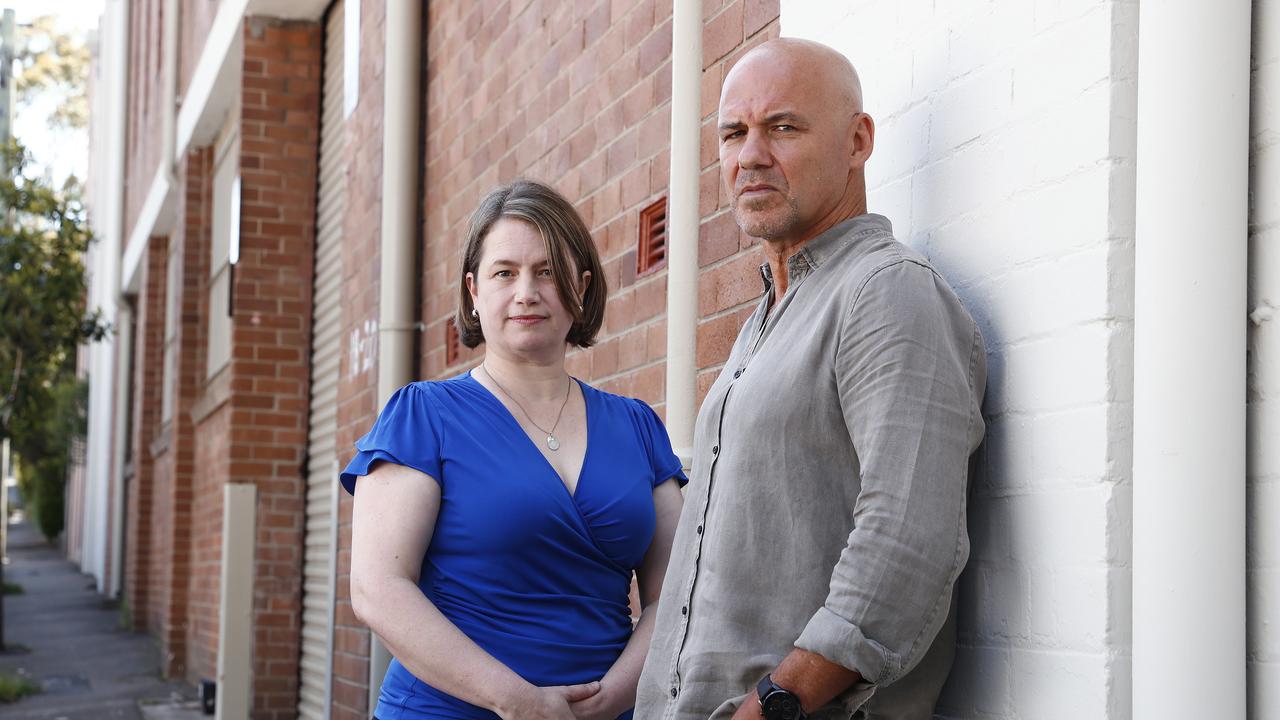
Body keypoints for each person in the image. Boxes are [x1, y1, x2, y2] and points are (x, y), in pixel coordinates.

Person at [635, 39, 987, 720]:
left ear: (858, 141)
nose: (751, 156)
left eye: (783, 127)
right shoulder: (766, 317)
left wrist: (771, 707)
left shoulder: (884, 292)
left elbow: (905, 543)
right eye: (734, 133)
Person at [344, 179, 686, 720]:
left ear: (583, 286)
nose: (526, 291)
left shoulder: (639, 427)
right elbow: (377, 588)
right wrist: (518, 702)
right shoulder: (424, 417)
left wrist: (613, 698)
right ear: (474, 292)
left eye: (547, 271)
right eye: (505, 272)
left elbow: (675, 594)